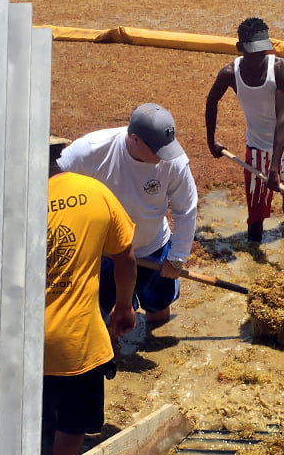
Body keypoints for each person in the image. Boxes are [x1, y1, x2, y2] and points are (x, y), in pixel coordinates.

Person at [57, 102, 198, 326]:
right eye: (157, 149)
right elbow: (53, 181)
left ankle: (155, 340)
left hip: (154, 247)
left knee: (159, 311)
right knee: (110, 319)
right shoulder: (92, 150)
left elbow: (186, 209)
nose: (165, 156)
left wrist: (177, 257)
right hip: (107, 253)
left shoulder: (174, 161)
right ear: (134, 139)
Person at [44, 137, 137, 455]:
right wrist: (124, 306)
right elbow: (126, 257)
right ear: (60, 156)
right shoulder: (94, 192)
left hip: (19, 343)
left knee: (35, 414)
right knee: (72, 425)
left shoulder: (6, 200)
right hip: (77, 343)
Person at [205, 17, 284, 242]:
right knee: (256, 211)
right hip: (256, 148)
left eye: (263, 51)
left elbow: (282, 117)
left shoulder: (281, 68)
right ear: (240, 48)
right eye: (253, 52)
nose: (259, 57)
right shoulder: (229, 73)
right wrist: (211, 141)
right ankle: (253, 249)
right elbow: (211, 102)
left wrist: (275, 168)